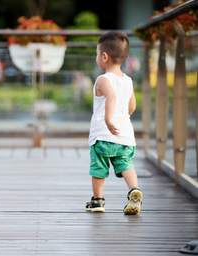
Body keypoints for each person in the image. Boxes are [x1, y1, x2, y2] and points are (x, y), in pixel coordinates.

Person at [85, 31, 142, 215]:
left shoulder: (103, 79)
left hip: (103, 134)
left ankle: (97, 201)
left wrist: (109, 120)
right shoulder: (128, 81)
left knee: (99, 168)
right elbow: (131, 106)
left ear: (104, 56)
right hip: (124, 136)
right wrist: (121, 119)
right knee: (126, 164)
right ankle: (134, 190)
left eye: (96, 54)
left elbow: (111, 95)